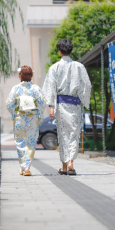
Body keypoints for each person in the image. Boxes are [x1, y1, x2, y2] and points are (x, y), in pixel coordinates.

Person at [43, 39, 91, 175]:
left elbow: (50, 87)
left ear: (59, 51)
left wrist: (51, 106)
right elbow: (87, 85)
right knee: (74, 134)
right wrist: (82, 99)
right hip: (75, 104)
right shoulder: (79, 66)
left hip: (61, 105)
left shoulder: (54, 67)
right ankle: (71, 163)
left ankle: (64, 167)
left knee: (63, 134)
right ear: (71, 50)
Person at [6, 66, 46, 176]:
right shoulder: (36, 88)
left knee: (20, 143)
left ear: (20, 75)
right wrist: (39, 115)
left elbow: (9, 104)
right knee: (31, 143)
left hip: (20, 117)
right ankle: (27, 168)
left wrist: (15, 113)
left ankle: (23, 167)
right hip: (32, 118)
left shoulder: (15, 88)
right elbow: (42, 104)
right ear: (31, 76)